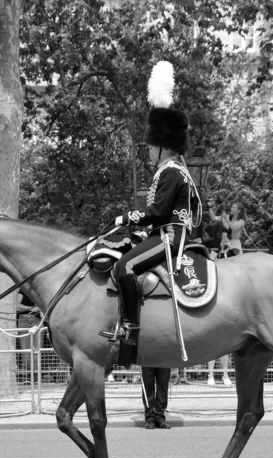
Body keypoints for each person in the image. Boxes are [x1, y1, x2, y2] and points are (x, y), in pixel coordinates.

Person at [106, 61, 199, 365]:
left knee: (123, 267)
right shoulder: (173, 170)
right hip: (166, 233)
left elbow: (158, 212)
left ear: (164, 146)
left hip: (170, 238)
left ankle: (130, 331)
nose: (148, 149)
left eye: (151, 145)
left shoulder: (171, 172)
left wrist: (127, 218)